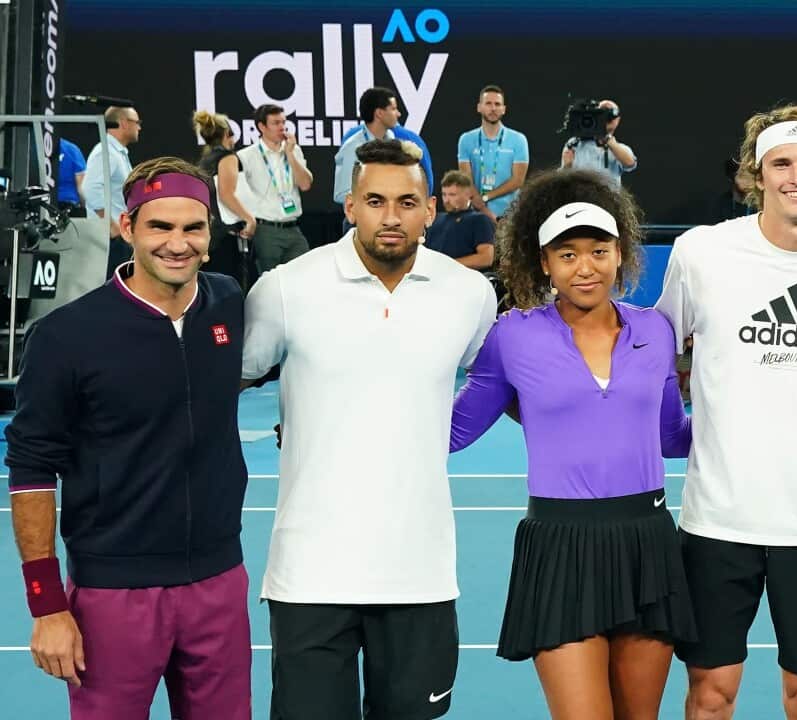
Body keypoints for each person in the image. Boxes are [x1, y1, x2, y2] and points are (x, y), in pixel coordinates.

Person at [242, 139, 496, 720]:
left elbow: (499, 381)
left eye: (407, 202)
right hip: (311, 574)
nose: (391, 216)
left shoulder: (470, 294)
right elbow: (223, 381)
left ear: (430, 210)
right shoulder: (286, 288)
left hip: (420, 573)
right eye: (375, 200)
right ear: (350, 205)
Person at [656, 105, 797, 719]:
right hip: (717, 519)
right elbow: (655, 354)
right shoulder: (700, 252)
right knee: (711, 694)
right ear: (756, 174)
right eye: (781, 163)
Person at [6, 157, 251, 718]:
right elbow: (31, 469)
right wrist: (46, 605)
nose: (177, 243)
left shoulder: (227, 303)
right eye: (159, 227)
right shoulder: (65, 336)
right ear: (127, 228)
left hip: (218, 583)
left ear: (210, 234)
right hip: (113, 594)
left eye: (192, 227)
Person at [449, 168, 696, 719]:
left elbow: (671, 437)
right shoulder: (512, 334)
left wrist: (756, 417)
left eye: (598, 250)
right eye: (566, 254)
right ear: (543, 263)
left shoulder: (654, 330)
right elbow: (455, 430)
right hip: (561, 546)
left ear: (620, 253)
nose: (585, 267)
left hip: (647, 542)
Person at [236, 103, 313, 273]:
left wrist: (291, 155)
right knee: (269, 281)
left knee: (304, 275)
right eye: (276, 123)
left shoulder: (294, 150)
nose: (282, 127)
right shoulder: (246, 155)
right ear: (262, 126)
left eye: (283, 122)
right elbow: (238, 193)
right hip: (266, 229)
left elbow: (305, 184)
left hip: (293, 227)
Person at [193, 110, 255, 287]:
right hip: (224, 235)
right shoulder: (227, 157)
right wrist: (249, 219)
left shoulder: (205, 160)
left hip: (210, 233)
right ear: (227, 134)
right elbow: (226, 193)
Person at [82, 106, 141, 278]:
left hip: (117, 238)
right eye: (137, 122)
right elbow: (90, 189)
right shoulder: (105, 151)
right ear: (123, 123)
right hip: (109, 239)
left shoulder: (118, 153)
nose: (140, 127)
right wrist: (111, 226)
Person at [458, 85, 529, 221]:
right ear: (479, 107)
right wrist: (484, 210)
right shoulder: (466, 139)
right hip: (476, 213)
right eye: (488, 103)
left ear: (504, 109)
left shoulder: (518, 139)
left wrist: (486, 197)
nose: (493, 108)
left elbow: (518, 180)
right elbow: (466, 179)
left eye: (497, 104)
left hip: (510, 215)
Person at [426, 170, 496, 270]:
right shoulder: (436, 219)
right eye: (444, 194)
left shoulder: (479, 220)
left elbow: (486, 258)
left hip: (463, 280)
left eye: (452, 195)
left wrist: (446, 266)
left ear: (468, 195)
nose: (446, 200)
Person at [560, 99, 637, 188]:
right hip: (581, 197)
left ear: (617, 120)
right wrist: (566, 166)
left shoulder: (619, 149)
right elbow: (563, 177)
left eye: (609, 115)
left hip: (608, 198)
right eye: (602, 113)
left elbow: (630, 163)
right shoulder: (575, 144)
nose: (606, 118)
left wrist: (609, 141)